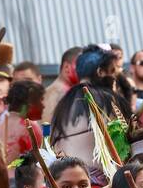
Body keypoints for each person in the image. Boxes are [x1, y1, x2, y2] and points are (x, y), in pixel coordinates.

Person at [50, 45, 133, 174]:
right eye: (112, 71)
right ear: (100, 72)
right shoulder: (107, 99)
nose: (114, 78)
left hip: (66, 178)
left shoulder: (63, 104)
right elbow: (128, 141)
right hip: (99, 182)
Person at [41, 46, 82, 125]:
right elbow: (45, 127)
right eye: (80, 65)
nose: (83, 70)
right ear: (67, 67)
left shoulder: (68, 92)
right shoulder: (57, 93)